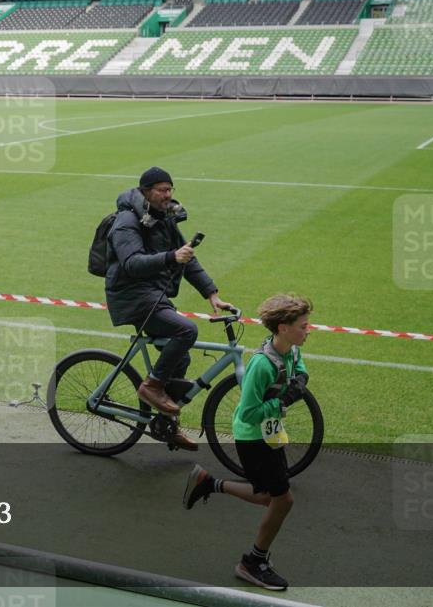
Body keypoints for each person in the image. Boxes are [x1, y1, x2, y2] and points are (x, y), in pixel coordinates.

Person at [182, 294, 313, 591]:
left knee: (269, 497)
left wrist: (299, 384)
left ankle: (208, 483)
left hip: (269, 434)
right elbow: (250, 413)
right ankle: (252, 563)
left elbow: (300, 369)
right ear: (282, 328)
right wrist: (282, 403)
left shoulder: (290, 350)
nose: (308, 331)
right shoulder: (261, 366)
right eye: (303, 326)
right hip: (254, 438)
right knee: (283, 500)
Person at [105, 167, 232, 450]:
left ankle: (166, 426)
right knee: (186, 330)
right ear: (146, 191)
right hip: (131, 295)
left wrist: (212, 294)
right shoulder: (127, 220)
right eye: (162, 190)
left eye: (170, 189)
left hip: (152, 294)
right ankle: (150, 386)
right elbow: (131, 263)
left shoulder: (163, 218)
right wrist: (170, 257)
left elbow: (187, 258)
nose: (168, 195)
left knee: (181, 360)